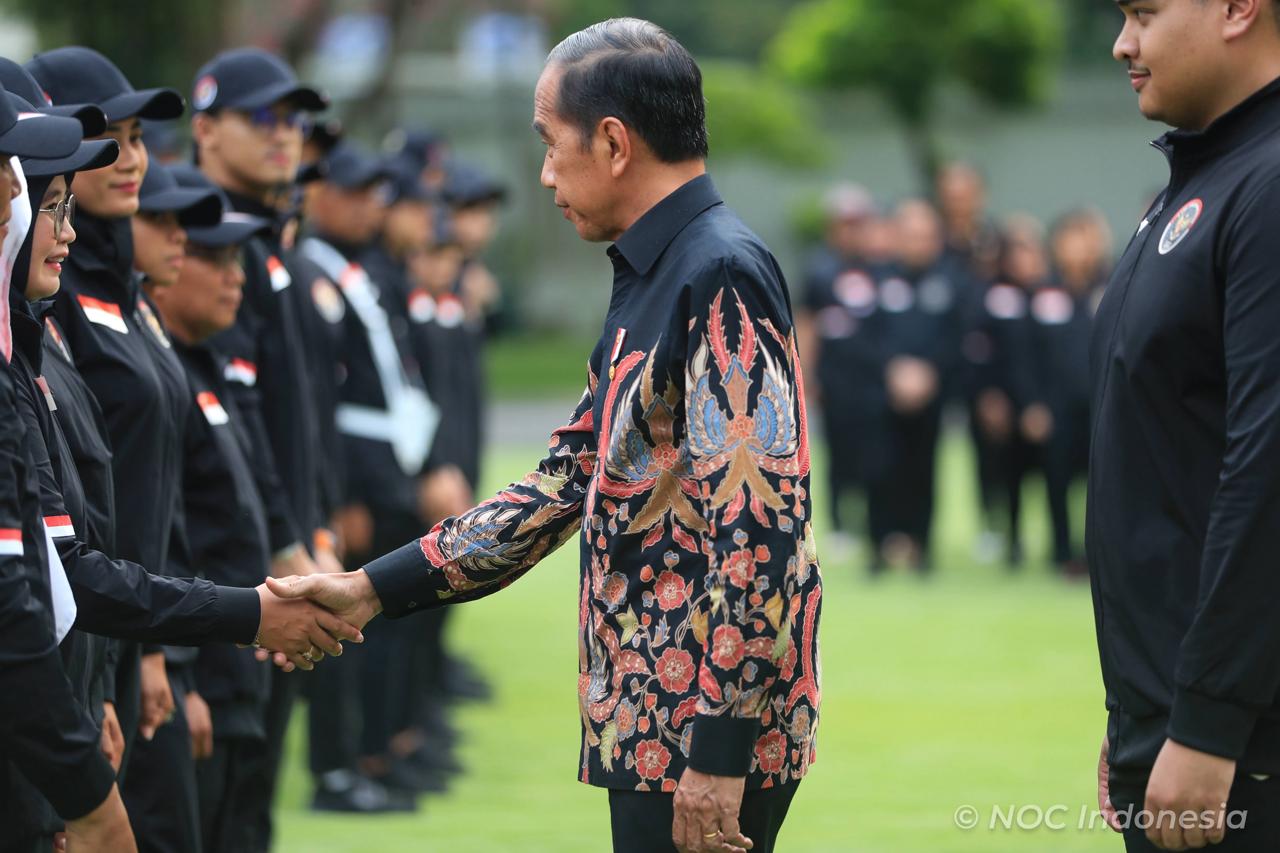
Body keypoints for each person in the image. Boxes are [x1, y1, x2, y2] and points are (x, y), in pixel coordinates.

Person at [273, 19, 822, 853]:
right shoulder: (657, 270)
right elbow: (563, 481)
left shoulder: (717, 271)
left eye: (549, 143)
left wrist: (718, 753)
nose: (542, 174)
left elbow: (761, 533)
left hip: (701, 731)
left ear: (612, 143)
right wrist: (373, 589)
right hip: (654, 722)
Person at [1088, 1, 1280, 849]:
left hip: (1243, 743)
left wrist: (1208, 719)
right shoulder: (1202, 179)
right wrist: (1139, 710)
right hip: (1171, 715)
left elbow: (1267, 471)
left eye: (1146, 12)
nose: (1124, 41)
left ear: (1239, 8)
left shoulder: (1269, 185)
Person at [189, 46, 348, 839]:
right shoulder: (203, 243)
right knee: (221, 792)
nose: (285, 135)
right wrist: (286, 540)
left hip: (288, 548)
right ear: (207, 128)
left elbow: (300, 410)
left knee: (251, 794)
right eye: (263, 118)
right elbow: (232, 418)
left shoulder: (265, 242)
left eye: (293, 120)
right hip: (236, 566)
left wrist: (313, 524)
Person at [0, 79, 135, 853]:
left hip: (68, 702)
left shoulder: (35, 337)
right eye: (47, 202)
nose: (68, 231)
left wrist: (99, 683)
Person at [142, 164, 277, 853]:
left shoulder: (203, 362)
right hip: (200, 676)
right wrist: (181, 673)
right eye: (214, 256)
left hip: (239, 665)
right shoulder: (156, 373)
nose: (237, 276)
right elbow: (157, 534)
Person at [299, 142, 439, 805]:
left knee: (382, 620)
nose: (367, 205)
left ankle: (374, 751)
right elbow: (322, 394)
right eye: (352, 191)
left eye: (372, 193)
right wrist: (343, 492)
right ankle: (340, 765)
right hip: (357, 473)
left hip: (387, 463)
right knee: (348, 630)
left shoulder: (352, 266)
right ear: (317, 194)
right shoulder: (311, 266)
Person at [866, 199, 963, 573]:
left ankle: (921, 546)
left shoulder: (950, 280)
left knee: (924, 472)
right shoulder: (876, 280)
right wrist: (892, 370)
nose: (918, 243)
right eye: (910, 235)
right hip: (883, 394)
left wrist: (929, 373)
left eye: (925, 236)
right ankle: (880, 546)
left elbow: (958, 337)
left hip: (930, 396)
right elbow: (866, 336)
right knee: (881, 470)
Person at [793, 184, 887, 565]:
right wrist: (807, 374)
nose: (852, 231)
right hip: (835, 379)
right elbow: (808, 323)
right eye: (845, 224)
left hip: (872, 381)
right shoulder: (820, 269)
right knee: (837, 452)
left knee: (874, 453)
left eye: (858, 223)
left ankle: (872, 522)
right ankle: (840, 524)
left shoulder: (880, 269)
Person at [1026, 209, 1112, 574]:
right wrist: (1033, 403)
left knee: (1103, 484)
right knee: (1057, 480)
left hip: (1102, 406)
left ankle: (1100, 553)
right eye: (1070, 239)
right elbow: (1027, 353)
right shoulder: (1043, 292)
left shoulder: (1113, 286)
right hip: (1056, 407)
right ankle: (1061, 552)